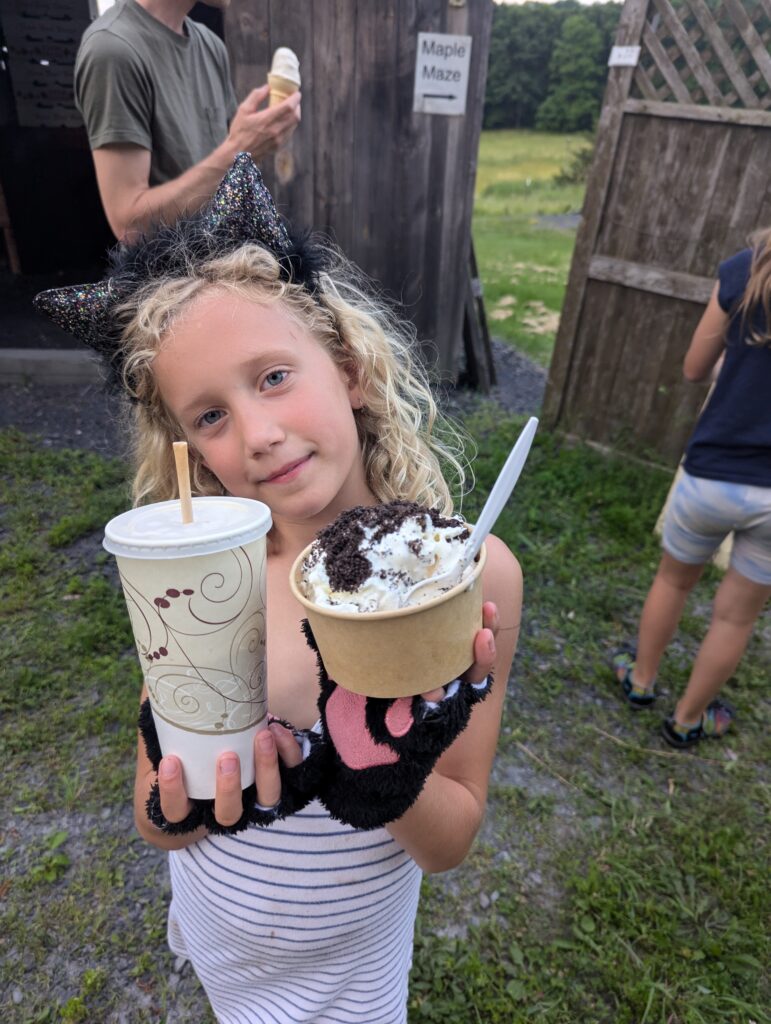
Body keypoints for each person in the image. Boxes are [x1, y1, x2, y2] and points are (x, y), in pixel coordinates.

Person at [33, 155, 521, 1023]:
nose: (256, 433)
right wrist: (187, 801)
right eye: (210, 416)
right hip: (221, 943)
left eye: (273, 376)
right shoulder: (201, 583)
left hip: (349, 978)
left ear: (349, 368)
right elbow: (153, 817)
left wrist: (386, 772)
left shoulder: (464, 577)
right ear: (188, 449)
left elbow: (449, 841)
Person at [613, 233, 771, 749]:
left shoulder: (746, 268)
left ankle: (641, 682)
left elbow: (693, 368)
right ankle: (687, 720)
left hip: (711, 476)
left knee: (673, 581)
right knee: (736, 616)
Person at [74, 0, 301, 240]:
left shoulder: (211, 46)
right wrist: (239, 151)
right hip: (168, 266)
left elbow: (224, 190)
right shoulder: (112, 49)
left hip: (224, 260)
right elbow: (131, 228)